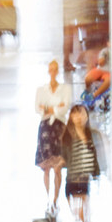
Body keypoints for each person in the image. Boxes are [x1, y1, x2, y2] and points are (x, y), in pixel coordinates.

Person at [59, 104, 104, 222]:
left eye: (82, 114)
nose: (79, 117)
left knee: (86, 220)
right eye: (75, 114)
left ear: (87, 116)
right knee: (77, 218)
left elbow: (96, 158)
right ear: (71, 117)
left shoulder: (91, 135)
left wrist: (97, 174)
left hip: (85, 182)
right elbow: (62, 157)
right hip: (71, 181)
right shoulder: (67, 136)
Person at [33, 60, 69, 205]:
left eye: (55, 69)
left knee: (58, 165)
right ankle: (49, 198)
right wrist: (54, 107)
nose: (53, 72)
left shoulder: (64, 89)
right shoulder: (41, 90)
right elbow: (38, 108)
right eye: (51, 69)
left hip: (58, 126)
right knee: (47, 165)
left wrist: (49, 107)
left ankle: (56, 198)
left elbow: (64, 107)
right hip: (45, 128)